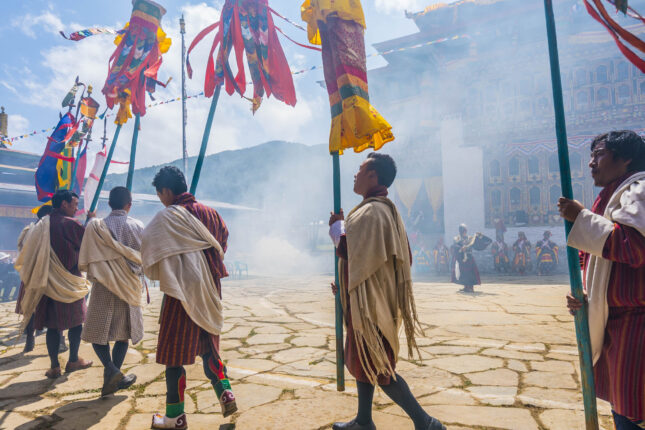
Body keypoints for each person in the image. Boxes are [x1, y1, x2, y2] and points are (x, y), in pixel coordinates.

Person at [328, 153, 445, 430]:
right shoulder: (382, 210)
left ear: (373, 176)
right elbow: (366, 261)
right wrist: (346, 285)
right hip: (367, 302)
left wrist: (336, 227)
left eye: (361, 169)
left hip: (372, 306)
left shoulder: (372, 212)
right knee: (362, 361)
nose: (355, 174)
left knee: (380, 368)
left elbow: (348, 250)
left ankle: (426, 422)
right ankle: (364, 421)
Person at [560, 130, 645, 429]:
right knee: (620, 407)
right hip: (612, 322)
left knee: (633, 412)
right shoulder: (609, 198)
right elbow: (594, 257)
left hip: (637, 324)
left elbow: (632, 246)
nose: (591, 163)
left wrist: (582, 218)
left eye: (599, 155)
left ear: (626, 159)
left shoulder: (639, 189)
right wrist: (584, 292)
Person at [141, 166, 235, 430]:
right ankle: (226, 393)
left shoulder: (166, 217)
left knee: (174, 355)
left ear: (167, 191)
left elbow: (148, 244)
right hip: (209, 288)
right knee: (208, 346)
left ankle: (175, 418)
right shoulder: (212, 213)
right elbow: (222, 243)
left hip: (180, 290)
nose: (161, 199)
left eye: (160, 194)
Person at [14, 190, 93, 379]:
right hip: (70, 280)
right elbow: (87, 247)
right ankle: (73, 359)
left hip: (46, 282)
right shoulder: (71, 224)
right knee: (76, 323)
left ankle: (54, 366)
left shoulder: (40, 225)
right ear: (64, 204)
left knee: (52, 326)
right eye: (74, 204)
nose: (76, 208)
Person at [80, 187, 144, 397]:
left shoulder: (96, 227)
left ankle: (112, 374)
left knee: (99, 334)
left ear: (109, 204)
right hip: (129, 287)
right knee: (122, 336)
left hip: (104, 286)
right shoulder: (138, 226)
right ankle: (114, 373)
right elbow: (145, 257)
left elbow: (86, 258)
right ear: (129, 204)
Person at [15, 205, 52, 352]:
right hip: (43, 274)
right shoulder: (45, 229)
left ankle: (30, 338)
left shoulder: (29, 230)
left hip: (29, 274)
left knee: (30, 307)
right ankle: (58, 341)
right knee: (50, 307)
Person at [450, 224, 481, 293]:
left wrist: (478, 236)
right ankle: (466, 287)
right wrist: (461, 248)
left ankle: (471, 287)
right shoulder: (457, 238)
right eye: (462, 230)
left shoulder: (470, 238)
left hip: (469, 257)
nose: (463, 231)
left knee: (471, 273)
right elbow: (455, 246)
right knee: (463, 273)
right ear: (460, 231)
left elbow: (474, 243)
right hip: (461, 258)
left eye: (464, 230)